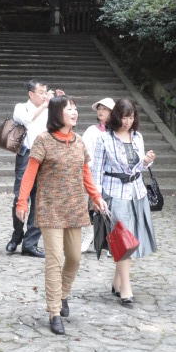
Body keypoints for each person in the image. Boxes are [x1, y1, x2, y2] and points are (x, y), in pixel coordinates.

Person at [16, 95, 108, 335]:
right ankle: (54, 311)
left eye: (75, 108)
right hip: (50, 208)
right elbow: (29, 174)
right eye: (69, 109)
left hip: (75, 208)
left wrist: (96, 197)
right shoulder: (43, 140)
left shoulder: (79, 142)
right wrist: (22, 201)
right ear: (57, 113)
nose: (74, 112)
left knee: (75, 258)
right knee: (54, 259)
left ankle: (63, 293)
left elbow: (86, 173)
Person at [92, 98, 157, 307]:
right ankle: (126, 289)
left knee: (133, 239)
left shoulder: (137, 136)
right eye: (124, 117)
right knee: (122, 240)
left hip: (137, 193)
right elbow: (96, 171)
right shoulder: (104, 139)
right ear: (116, 116)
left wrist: (146, 161)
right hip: (114, 193)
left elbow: (138, 167)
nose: (127, 121)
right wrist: (96, 197)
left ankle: (117, 281)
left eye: (131, 117)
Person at [5, 79, 64, 258]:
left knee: (41, 200)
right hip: (26, 155)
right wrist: (46, 105)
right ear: (31, 94)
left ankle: (30, 243)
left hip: (46, 157)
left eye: (46, 92)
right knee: (19, 197)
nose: (44, 95)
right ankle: (17, 234)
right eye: (41, 92)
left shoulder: (50, 108)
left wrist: (59, 102)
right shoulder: (21, 107)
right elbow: (27, 120)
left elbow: (62, 122)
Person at [80, 97, 116, 253]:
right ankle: (89, 235)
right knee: (91, 206)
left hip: (113, 176)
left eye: (105, 109)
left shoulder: (117, 132)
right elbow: (84, 152)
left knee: (112, 208)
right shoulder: (92, 131)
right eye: (100, 108)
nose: (101, 111)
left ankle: (110, 240)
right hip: (94, 173)